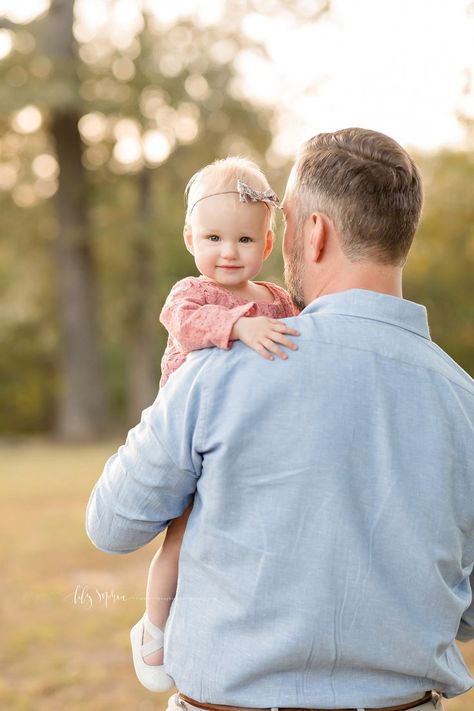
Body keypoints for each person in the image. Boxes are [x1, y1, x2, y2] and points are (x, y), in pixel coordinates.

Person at [86, 128, 474, 711]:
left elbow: (112, 525)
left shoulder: (219, 369)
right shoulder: (462, 398)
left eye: (284, 223)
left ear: (313, 234)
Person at [127, 156, 299, 692]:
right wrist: (239, 328)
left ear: (267, 246)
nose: (229, 252)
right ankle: (154, 627)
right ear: (190, 238)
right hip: (190, 441)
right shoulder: (192, 293)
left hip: (250, 442)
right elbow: (184, 323)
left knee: (234, 541)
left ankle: (226, 630)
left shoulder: (279, 301)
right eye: (214, 237)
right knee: (178, 541)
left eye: (245, 240)